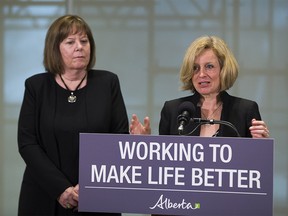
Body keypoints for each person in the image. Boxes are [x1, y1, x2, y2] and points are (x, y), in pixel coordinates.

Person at [17, 15, 128, 216]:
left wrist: (88, 185)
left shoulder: (108, 82)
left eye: (84, 41)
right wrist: (62, 189)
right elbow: (27, 143)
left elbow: (118, 138)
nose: (79, 47)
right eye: (70, 42)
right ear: (55, 48)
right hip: (44, 195)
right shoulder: (36, 86)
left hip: (98, 194)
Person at [130, 35, 269, 139]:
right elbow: (164, 165)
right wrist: (145, 144)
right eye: (195, 68)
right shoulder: (173, 110)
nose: (201, 74)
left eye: (209, 67)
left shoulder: (245, 110)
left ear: (224, 69)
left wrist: (261, 144)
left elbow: (254, 166)